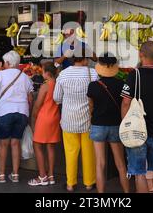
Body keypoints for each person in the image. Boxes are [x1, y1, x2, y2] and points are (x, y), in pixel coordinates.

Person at [121, 41, 153, 193]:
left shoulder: (133, 75)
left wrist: (125, 124)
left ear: (140, 54)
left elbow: (125, 102)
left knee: (139, 173)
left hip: (136, 132)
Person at [53, 47, 99, 192]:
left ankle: (70, 184)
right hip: (88, 120)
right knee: (88, 152)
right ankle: (89, 183)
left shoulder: (63, 74)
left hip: (69, 120)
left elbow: (57, 98)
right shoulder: (93, 73)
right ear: (85, 59)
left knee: (71, 152)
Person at [87, 53, 129, 194]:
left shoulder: (93, 86)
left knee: (100, 164)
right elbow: (125, 105)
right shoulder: (122, 85)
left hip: (98, 125)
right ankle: (126, 193)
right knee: (121, 164)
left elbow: (90, 106)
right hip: (116, 125)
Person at [0, 51, 34, 183]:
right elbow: (30, 98)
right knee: (16, 143)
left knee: (3, 144)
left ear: (8, 63)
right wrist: (27, 113)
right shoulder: (25, 77)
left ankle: (2, 174)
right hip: (22, 112)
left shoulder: (0, 75)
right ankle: (15, 174)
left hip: (4, 112)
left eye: (4, 62)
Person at [28, 62, 61, 187]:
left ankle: (42, 176)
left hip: (44, 118)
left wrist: (33, 118)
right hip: (55, 117)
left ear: (47, 73)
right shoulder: (57, 84)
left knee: (37, 145)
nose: (41, 73)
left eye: (42, 71)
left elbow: (37, 104)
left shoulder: (45, 86)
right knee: (50, 146)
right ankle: (51, 175)